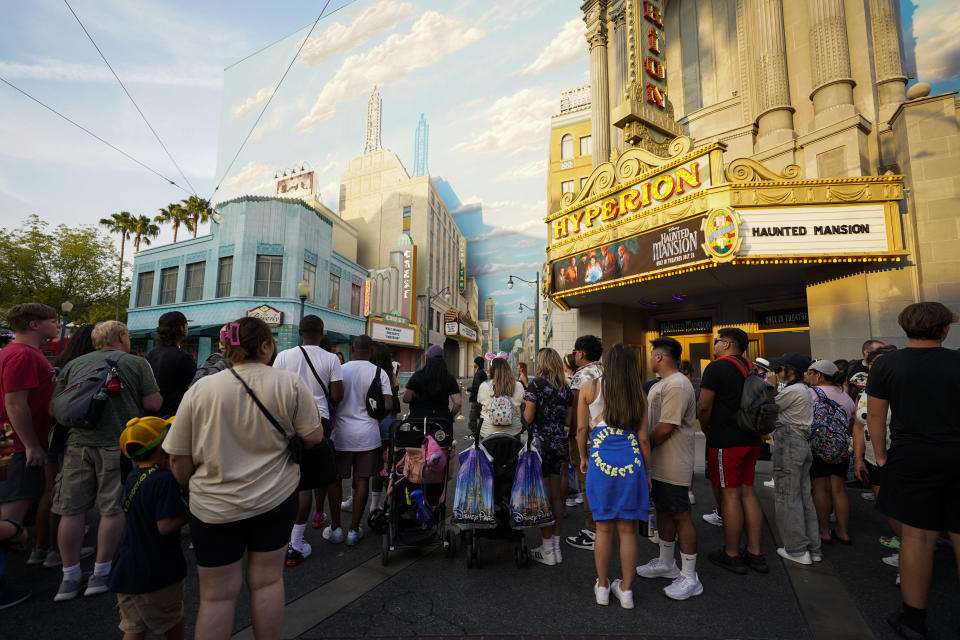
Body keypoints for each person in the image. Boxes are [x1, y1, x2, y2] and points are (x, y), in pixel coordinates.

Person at [163, 317, 323, 640]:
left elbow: (178, 459)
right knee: (267, 583)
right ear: (265, 346)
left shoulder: (201, 390)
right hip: (275, 501)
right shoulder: (289, 384)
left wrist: (190, 485)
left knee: (216, 598)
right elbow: (315, 436)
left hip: (213, 507)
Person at [865, 302, 960, 640]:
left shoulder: (887, 364)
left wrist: (880, 456)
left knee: (917, 537)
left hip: (910, 454)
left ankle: (913, 621)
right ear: (944, 329)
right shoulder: (957, 359)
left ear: (906, 329)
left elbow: (875, 417)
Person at [53, 320, 163, 601]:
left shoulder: (74, 365)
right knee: (112, 508)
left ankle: (69, 577)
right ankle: (101, 572)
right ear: (122, 337)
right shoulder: (135, 364)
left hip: (77, 443)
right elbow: (153, 404)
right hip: (117, 444)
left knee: (71, 510)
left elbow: (57, 406)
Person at [578, 344, 651, 608]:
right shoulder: (639, 394)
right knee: (628, 529)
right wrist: (648, 471)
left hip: (600, 462)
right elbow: (643, 438)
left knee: (603, 529)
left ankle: (602, 586)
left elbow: (580, 428)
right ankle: (627, 591)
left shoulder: (590, 387)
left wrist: (583, 457)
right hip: (632, 464)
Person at [0, 303, 60, 607]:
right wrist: (32, 445)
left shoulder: (23, 353)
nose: (57, 324)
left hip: (24, 445)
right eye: (53, 320)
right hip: (22, 448)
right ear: (34, 325)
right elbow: (14, 404)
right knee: (10, 518)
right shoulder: (21, 354)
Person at [271, 315, 342, 567]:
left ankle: (285, 538)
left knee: (291, 480)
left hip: (286, 423)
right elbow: (336, 395)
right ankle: (295, 543)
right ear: (321, 333)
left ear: (300, 331)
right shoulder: (331, 358)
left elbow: (274, 390)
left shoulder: (282, 356)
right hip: (316, 423)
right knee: (308, 482)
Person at [636, 337, 702, 600]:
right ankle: (666, 562)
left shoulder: (677, 385)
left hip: (674, 463)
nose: (650, 357)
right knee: (664, 511)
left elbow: (666, 425)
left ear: (660, 357)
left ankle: (689, 576)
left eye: (653, 353)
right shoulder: (661, 384)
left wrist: (642, 446)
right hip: (660, 463)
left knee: (680, 515)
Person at [698, 327, 768, 575]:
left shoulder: (717, 367)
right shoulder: (753, 368)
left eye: (717, 341)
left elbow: (704, 406)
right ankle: (755, 551)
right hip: (751, 437)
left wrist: (705, 427)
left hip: (726, 439)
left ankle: (731, 553)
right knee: (748, 492)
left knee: (729, 495)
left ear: (727, 344)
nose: (715, 345)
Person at [111, 417, 188, 640]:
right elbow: (164, 526)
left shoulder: (132, 477)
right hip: (156, 568)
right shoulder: (163, 481)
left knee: (133, 626)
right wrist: (191, 512)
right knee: (172, 618)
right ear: (162, 446)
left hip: (128, 567)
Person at [328, 335, 392, 546]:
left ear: (352, 350)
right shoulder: (378, 372)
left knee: (335, 479)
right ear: (371, 352)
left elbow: (333, 397)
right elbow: (389, 404)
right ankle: (354, 531)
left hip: (341, 434)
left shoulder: (341, 369)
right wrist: (373, 418)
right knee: (362, 479)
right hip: (368, 435)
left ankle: (336, 528)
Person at [765, 353, 820, 566]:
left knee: (787, 497)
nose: (777, 373)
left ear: (791, 370)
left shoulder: (794, 390)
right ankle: (813, 548)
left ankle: (796, 549)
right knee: (803, 496)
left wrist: (770, 387)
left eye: (780, 369)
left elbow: (769, 408)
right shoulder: (803, 389)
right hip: (802, 444)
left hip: (789, 443)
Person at [523, 348, 574, 566]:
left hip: (541, 444)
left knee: (543, 496)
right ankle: (556, 546)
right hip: (559, 444)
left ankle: (546, 550)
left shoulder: (536, 385)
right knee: (557, 496)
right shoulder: (566, 388)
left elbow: (528, 416)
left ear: (542, 362)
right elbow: (568, 422)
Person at [852, 345, 900, 565]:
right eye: (874, 364)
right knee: (887, 506)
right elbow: (860, 425)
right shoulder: (865, 391)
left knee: (905, 510)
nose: (878, 368)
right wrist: (859, 458)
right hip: (873, 458)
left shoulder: (903, 388)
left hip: (901, 458)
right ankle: (906, 544)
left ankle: (910, 553)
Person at [805, 359, 856, 546]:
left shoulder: (810, 394)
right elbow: (852, 422)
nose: (808, 376)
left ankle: (824, 532)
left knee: (820, 488)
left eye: (810, 373)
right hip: (841, 449)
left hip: (818, 448)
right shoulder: (846, 396)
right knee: (839, 489)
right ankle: (843, 531)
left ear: (819, 375)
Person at [566, 335, 604, 551]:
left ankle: (592, 530)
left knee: (587, 484)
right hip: (604, 437)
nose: (574, 356)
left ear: (581, 353)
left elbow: (575, 412)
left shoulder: (583, 375)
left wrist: (572, 436)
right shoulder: (603, 371)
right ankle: (602, 527)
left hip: (586, 438)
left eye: (574, 352)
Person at [146, 312, 196, 418]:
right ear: (182, 328)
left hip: (150, 416)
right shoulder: (184, 357)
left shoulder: (152, 353)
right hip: (173, 417)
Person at [370, 342, 400, 517]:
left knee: (367, 464)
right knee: (383, 465)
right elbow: (394, 404)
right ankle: (378, 504)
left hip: (368, 420)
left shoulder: (368, 372)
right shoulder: (390, 375)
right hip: (386, 422)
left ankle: (367, 502)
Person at [404, 344, 461, 423]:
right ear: (443, 359)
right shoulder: (449, 378)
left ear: (427, 358)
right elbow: (457, 403)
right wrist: (450, 416)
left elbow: (406, 399)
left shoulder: (417, 375)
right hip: (441, 419)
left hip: (418, 419)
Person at [477, 357, 525, 441]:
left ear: (492, 370)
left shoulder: (484, 386)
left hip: (488, 432)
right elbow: (522, 406)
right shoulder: (518, 385)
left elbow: (480, 405)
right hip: (513, 433)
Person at [467, 356, 487, 435]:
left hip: (477, 399)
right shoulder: (481, 372)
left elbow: (478, 387)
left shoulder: (479, 373)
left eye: (475, 362)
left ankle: (476, 434)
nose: (473, 364)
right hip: (480, 398)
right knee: (480, 416)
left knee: (472, 418)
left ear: (477, 363)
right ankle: (479, 433)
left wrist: (468, 389)